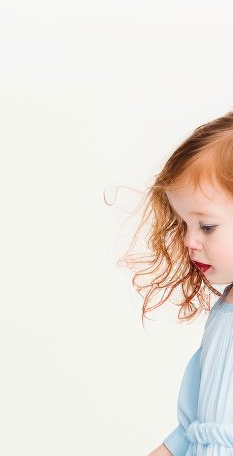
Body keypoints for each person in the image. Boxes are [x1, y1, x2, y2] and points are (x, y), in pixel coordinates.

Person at [114, 111, 233, 456]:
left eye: (206, 227)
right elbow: (194, 423)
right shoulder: (222, 313)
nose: (188, 241)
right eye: (183, 224)